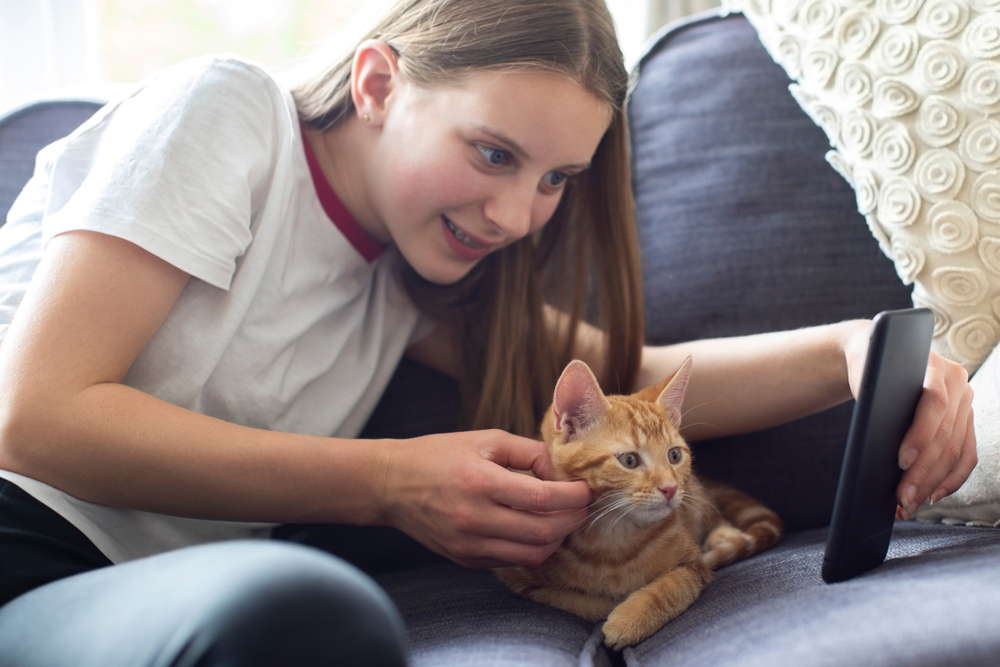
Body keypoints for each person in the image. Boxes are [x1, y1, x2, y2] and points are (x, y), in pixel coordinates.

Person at [0, 0, 976, 664]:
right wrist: (390, 483)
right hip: (23, 549)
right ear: (378, 84)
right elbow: (35, 417)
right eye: (494, 153)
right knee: (304, 609)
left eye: (553, 180)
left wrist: (855, 348)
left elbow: (645, 384)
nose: (516, 214)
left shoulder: (413, 276)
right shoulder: (228, 113)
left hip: (143, 591)